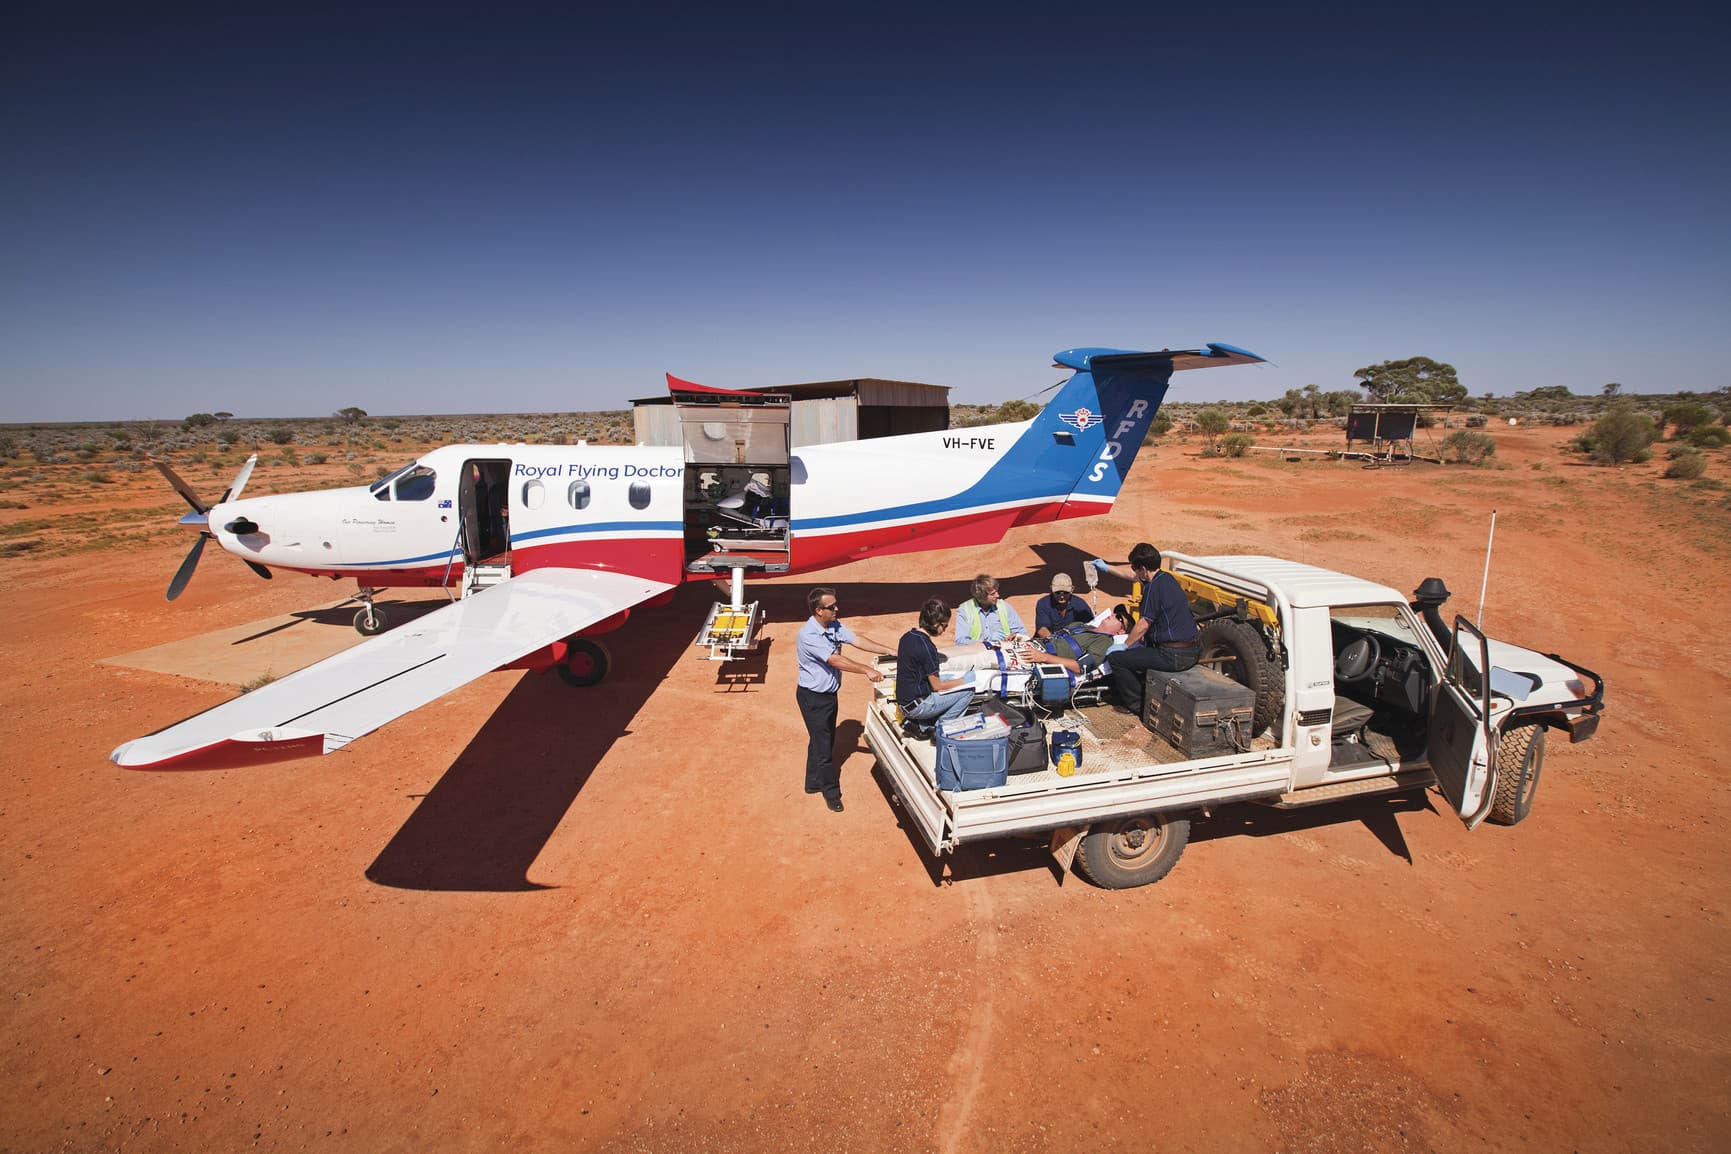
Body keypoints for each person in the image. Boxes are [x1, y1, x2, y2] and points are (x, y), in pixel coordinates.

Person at [795, 586, 893, 812]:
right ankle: (831, 793)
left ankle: (812, 783)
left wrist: (888, 650)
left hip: (828, 695)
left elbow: (857, 640)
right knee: (824, 746)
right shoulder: (809, 635)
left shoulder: (832, 625)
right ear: (819, 610)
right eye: (832, 607)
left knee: (822, 740)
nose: (837, 609)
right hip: (813, 698)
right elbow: (835, 661)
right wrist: (866, 669)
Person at [1090, 544, 1199, 715]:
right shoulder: (1166, 578)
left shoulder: (1153, 589)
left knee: (1118, 659)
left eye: (1135, 568)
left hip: (1173, 656)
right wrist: (1106, 567)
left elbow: (1144, 623)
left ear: (1143, 569)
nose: (1134, 572)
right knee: (1140, 652)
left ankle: (1136, 705)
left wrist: (1125, 645)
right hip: (1193, 651)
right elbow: (1131, 576)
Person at [896, 599, 976, 730]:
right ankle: (941, 728)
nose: (944, 629)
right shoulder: (928, 648)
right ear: (935, 624)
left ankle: (923, 726)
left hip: (904, 703)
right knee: (968, 692)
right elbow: (937, 686)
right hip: (918, 707)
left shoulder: (907, 636)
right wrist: (963, 681)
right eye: (944, 625)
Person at [1037, 604, 1131, 674]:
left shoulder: (1103, 642)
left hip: (1041, 656)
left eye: (1119, 618)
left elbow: (1080, 667)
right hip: (1035, 645)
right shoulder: (1080, 625)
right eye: (1115, 613)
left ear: (1121, 632)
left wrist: (1044, 657)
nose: (1113, 615)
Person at [952, 574, 1027, 646]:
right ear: (982, 596)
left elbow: (1022, 634)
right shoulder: (965, 610)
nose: (997, 595)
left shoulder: (1005, 607)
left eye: (996, 591)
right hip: (978, 653)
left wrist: (1014, 637)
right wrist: (987, 643)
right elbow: (960, 641)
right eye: (992, 594)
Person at [1033, 571, 1094, 639]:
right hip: (1049, 642)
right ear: (1051, 589)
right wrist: (1057, 644)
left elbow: (1091, 627)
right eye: (1057, 593)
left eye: (1065, 593)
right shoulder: (1043, 604)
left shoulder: (1080, 605)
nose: (1061, 596)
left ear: (1072, 589)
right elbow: (1042, 630)